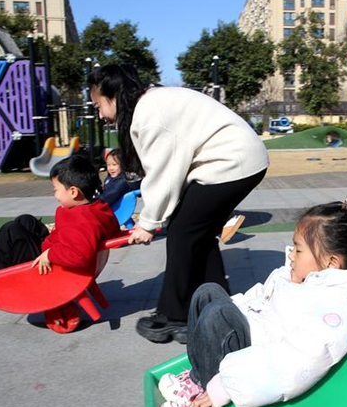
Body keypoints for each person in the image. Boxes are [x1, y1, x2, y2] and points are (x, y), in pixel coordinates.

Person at [155, 200, 347, 407]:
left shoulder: (339, 307)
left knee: (216, 315)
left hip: (253, 362)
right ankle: (199, 375)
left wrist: (224, 387)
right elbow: (261, 296)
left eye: (298, 249)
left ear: (330, 263)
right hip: (254, 334)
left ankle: (202, 389)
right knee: (207, 293)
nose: (292, 256)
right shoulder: (298, 277)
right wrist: (235, 309)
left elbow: (298, 359)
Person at [86, 64, 269, 344]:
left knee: (184, 232)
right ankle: (214, 305)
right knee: (197, 231)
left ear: (113, 95)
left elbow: (165, 174)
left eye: (98, 105)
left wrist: (149, 223)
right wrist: (155, 217)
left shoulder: (149, 115)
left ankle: (176, 316)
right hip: (231, 160)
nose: (99, 114)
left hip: (233, 162)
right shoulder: (147, 105)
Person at [0, 155, 121, 275]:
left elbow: (79, 255)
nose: (55, 195)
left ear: (73, 192)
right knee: (26, 220)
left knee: (10, 230)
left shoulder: (80, 218)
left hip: (52, 267)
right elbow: (113, 231)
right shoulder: (97, 207)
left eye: (56, 190)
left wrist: (49, 254)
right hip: (56, 251)